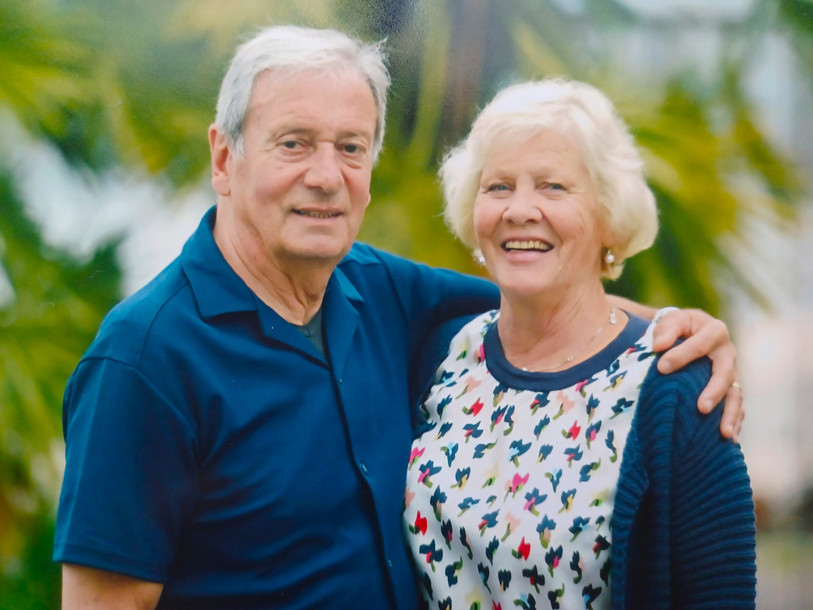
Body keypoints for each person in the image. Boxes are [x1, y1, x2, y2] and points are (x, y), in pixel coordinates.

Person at [54, 26, 743, 609]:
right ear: (224, 157)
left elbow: (551, 294)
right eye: (293, 143)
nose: (326, 175)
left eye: (351, 147)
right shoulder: (144, 360)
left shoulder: (379, 290)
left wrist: (679, 328)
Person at [403, 78, 756, 609]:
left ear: (610, 213)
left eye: (553, 187)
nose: (520, 209)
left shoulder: (675, 389)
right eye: (498, 186)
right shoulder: (443, 355)